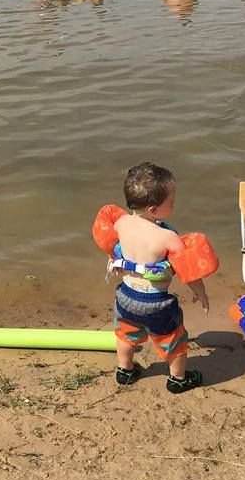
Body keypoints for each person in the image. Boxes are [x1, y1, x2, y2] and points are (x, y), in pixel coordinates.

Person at [92, 162, 218, 394]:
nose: (174, 205)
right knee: (175, 341)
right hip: (156, 304)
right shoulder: (167, 237)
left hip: (126, 296)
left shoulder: (120, 224)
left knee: (125, 334)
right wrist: (201, 294)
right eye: (171, 202)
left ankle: (125, 370)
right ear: (153, 210)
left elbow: (113, 251)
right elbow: (187, 271)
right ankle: (178, 379)